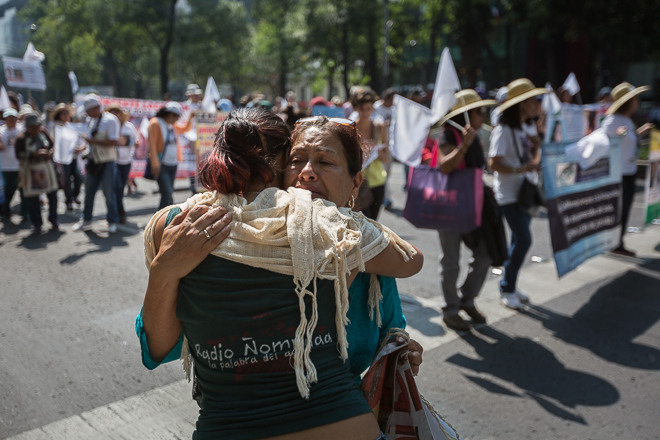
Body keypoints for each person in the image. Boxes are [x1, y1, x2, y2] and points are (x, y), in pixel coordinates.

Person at [141, 109, 423, 439]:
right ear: (277, 167)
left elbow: (389, 331)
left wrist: (397, 349)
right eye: (296, 160)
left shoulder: (177, 223)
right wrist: (164, 272)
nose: (306, 174)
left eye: (325, 163)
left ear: (355, 181)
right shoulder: (340, 230)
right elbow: (412, 260)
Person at [425, 90, 497, 331]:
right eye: (479, 111)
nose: (483, 115)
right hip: (449, 206)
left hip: (473, 204)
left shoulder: (475, 136)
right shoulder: (448, 135)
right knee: (451, 261)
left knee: (485, 254)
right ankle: (451, 310)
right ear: (466, 115)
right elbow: (445, 166)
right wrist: (464, 145)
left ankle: (467, 299)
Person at [488, 79, 549, 310]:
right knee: (524, 240)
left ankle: (511, 284)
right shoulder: (503, 130)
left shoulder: (527, 127)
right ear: (522, 104)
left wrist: (536, 148)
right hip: (509, 195)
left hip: (525, 192)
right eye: (534, 100)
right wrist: (520, 169)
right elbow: (493, 162)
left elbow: (533, 162)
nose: (538, 104)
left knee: (518, 241)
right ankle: (506, 287)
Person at [602, 82, 654, 257]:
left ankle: (617, 242)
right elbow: (605, 141)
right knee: (619, 210)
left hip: (628, 172)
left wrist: (640, 132)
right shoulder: (612, 120)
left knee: (624, 210)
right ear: (627, 102)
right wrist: (620, 134)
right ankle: (615, 243)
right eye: (635, 98)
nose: (638, 101)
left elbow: (626, 139)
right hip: (619, 174)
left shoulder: (626, 119)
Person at [72, 94, 121, 233]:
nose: (86, 112)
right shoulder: (90, 120)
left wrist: (94, 141)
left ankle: (112, 220)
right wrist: (82, 148)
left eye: (88, 109)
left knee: (108, 193)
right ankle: (86, 219)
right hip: (93, 162)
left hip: (107, 163)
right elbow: (90, 142)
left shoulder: (111, 120)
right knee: (88, 192)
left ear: (96, 108)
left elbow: (113, 141)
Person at [14, 113, 58, 233]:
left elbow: (52, 145)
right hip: (31, 168)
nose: (36, 128)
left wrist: (49, 152)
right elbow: (19, 155)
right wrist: (35, 154)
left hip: (46, 167)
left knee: (52, 194)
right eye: (33, 126)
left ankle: (53, 218)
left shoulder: (43, 133)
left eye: (37, 125)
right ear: (27, 126)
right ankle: (37, 223)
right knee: (33, 198)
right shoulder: (21, 138)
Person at [147, 102, 193, 209]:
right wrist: (155, 164)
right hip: (161, 165)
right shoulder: (155, 123)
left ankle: (164, 218)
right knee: (167, 193)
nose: (177, 119)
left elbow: (185, 128)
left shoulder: (172, 125)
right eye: (177, 116)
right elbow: (152, 146)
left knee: (168, 193)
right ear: (170, 114)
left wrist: (191, 117)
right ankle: (162, 219)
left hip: (173, 164)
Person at [354, 90, 389, 220]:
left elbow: (385, 158)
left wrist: (378, 153)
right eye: (362, 109)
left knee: (373, 224)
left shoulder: (380, 127)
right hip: (357, 182)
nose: (365, 112)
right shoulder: (351, 128)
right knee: (362, 223)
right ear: (356, 108)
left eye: (368, 109)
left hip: (377, 181)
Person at [106, 104, 138, 224]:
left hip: (126, 161)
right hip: (112, 161)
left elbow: (135, 139)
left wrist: (135, 143)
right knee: (117, 187)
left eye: (117, 112)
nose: (115, 114)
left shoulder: (128, 126)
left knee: (119, 188)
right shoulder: (108, 126)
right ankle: (119, 212)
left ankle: (117, 211)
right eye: (112, 112)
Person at [51, 103, 84, 211]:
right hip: (63, 159)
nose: (66, 115)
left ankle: (75, 195)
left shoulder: (72, 125)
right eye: (63, 113)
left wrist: (80, 147)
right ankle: (68, 200)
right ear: (59, 115)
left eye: (67, 113)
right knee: (67, 181)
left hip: (74, 158)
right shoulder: (57, 126)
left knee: (78, 178)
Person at [0, 108, 26, 220]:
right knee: (8, 191)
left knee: (24, 190)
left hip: (21, 166)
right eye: (9, 118)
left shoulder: (22, 129)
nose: (12, 120)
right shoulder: (1, 131)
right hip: (6, 167)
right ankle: (5, 210)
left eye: (14, 118)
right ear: (5, 119)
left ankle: (26, 213)